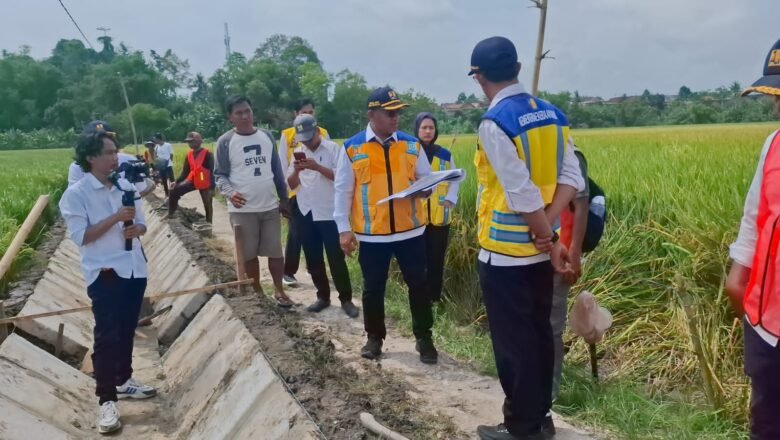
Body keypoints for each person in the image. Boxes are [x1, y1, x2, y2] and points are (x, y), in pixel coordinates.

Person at [469, 37, 584, 440]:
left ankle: (521, 428)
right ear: (518, 68)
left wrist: (545, 235)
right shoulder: (553, 115)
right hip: (539, 252)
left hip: (505, 255)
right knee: (539, 337)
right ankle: (541, 418)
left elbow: (520, 193)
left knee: (514, 346)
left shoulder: (495, 122)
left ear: (478, 77)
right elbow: (572, 177)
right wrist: (549, 233)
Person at [59, 121, 157, 435]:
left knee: (127, 329)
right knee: (106, 336)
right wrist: (116, 218)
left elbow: (142, 224)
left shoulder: (125, 186)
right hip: (106, 273)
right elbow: (82, 237)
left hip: (134, 267)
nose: (115, 157)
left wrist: (135, 229)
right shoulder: (77, 194)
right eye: (108, 153)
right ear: (90, 157)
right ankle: (106, 399)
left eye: (115, 152)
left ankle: (124, 379)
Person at [334, 87, 438, 364]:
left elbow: (426, 180)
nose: (395, 118)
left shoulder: (412, 145)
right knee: (373, 288)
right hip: (372, 234)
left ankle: (424, 338)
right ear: (371, 115)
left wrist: (426, 189)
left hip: (411, 231)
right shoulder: (352, 148)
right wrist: (343, 229)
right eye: (389, 113)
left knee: (419, 285)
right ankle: (374, 338)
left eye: (398, 113)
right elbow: (343, 190)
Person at [725, 37, 780, 440]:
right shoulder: (773, 145)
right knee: (766, 424)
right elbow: (754, 218)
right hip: (766, 324)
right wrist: (738, 273)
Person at [214, 95, 293, 307]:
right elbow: (220, 175)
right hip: (242, 209)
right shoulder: (225, 142)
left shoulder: (266, 136)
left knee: (275, 251)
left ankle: (279, 290)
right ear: (230, 117)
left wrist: (284, 199)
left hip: (269, 206)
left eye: (247, 111)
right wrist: (230, 192)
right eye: (238, 113)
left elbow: (276, 171)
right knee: (248, 254)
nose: (244, 116)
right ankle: (258, 292)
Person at [286, 114, 359, 318]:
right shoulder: (298, 152)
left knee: (336, 258)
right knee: (313, 258)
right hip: (306, 210)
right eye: (304, 139)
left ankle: (346, 299)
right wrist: (297, 171)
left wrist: (317, 167)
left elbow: (342, 178)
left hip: (329, 211)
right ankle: (323, 296)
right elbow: (291, 184)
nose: (308, 143)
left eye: (310, 138)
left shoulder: (334, 150)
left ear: (318, 131)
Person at [550, 145, 590, 401]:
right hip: (530, 251)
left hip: (562, 252)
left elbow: (581, 205)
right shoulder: (529, 146)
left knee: (552, 325)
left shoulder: (571, 154)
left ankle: (550, 391)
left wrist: (575, 254)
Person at [278, 98, 330, 287]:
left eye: (311, 112)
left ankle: (314, 268)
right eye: (304, 112)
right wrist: (284, 194)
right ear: (296, 114)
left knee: (317, 232)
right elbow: (282, 165)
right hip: (296, 191)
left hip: (318, 192)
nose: (308, 115)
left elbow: (328, 160)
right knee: (296, 232)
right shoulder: (288, 135)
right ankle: (288, 271)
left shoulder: (323, 133)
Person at [414, 112, 460, 302]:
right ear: (417, 130)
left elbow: (455, 179)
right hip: (417, 218)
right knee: (418, 260)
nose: (427, 131)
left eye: (431, 128)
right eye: (424, 127)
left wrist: (451, 197)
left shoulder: (444, 154)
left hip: (440, 215)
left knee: (436, 259)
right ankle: (419, 299)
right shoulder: (411, 153)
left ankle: (434, 298)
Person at [67, 122, 156, 198]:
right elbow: (75, 196)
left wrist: (129, 201)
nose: (103, 142)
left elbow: (145, 188)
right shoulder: (77, 167)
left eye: (108, 138)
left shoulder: (128, 160)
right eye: (96, 139)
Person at [166, 131, 215, 223]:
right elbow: (185, 172)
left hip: (204, 181)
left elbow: (213, 172)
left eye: (192, 141)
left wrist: (212, 188)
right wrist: (176, 182)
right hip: (192, 180)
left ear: (199, 141)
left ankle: (209, 222)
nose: (190, 143)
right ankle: (171, 213)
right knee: (174, 190)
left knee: (207, 203)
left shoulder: (208, 154)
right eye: (188, 142)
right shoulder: (189, 155)